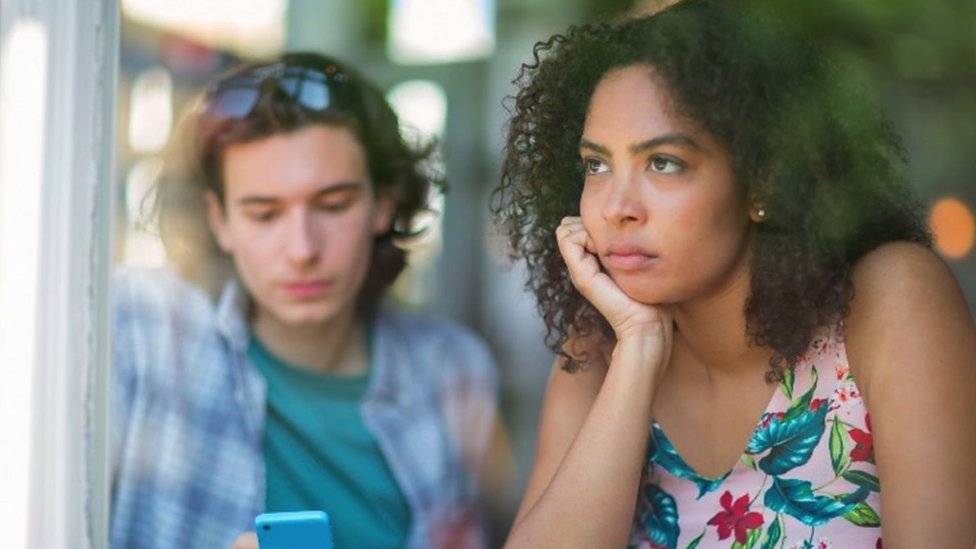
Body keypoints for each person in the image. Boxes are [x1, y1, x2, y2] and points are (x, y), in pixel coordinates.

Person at [492, 1, 976, 547]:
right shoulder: (598, 345)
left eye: (663, 162)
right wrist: (639, 351)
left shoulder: (889, 298)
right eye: (597, 165)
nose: (615, 208)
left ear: (763, 182)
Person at [111, 52, 500, 549]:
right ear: (219, 220)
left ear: (383, 204)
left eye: (333, 205)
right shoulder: (143, 330)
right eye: (264, 214)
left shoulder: (453, 369)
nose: (302, 250)